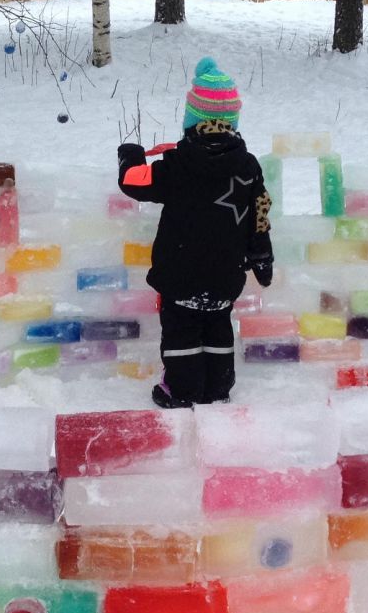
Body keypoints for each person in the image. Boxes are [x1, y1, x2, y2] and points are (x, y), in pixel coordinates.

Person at [116, 56, 273, 409]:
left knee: (182, 330)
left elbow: (133, 182)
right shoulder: (248, 167)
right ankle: (218, 386)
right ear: (232, 122)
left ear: (191, 121)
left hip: (181, 273)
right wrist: (262, 256)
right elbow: (260, 213)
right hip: (224, 274)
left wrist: (131, 156)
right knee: (217, 326)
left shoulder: (177, 165)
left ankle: (183, 390)